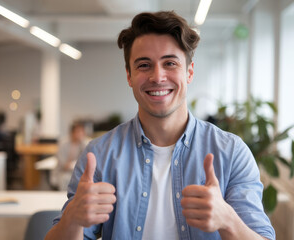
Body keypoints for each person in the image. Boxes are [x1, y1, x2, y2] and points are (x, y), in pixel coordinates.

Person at [46, 11, 275, 240]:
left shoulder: (231, 153)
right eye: (144, 65)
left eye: (170, 63)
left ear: (189, 72)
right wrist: (72, 220)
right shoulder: (99, 156)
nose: (157, 76)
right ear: (129, 76)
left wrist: (228, 220)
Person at [55, 121, 92, 191]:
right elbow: (62, 164)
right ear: (72, 133)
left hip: (80, 172)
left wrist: (82, 143)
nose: (80, 134)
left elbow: (87, 161)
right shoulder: (63, 144)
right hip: (65, 172)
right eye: (77, 132)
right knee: (65, 179)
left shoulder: (86, 143)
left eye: (81, 132)